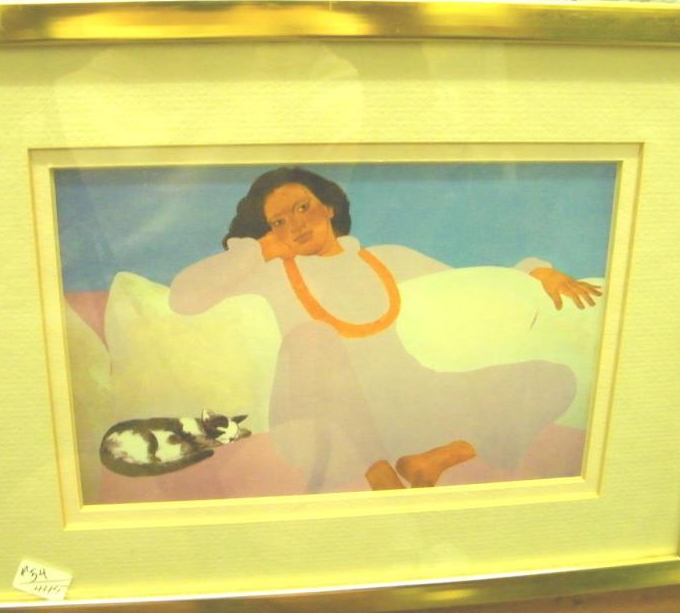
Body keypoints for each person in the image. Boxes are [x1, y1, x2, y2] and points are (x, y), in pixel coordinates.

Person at [170, 167, 601, 492]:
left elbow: (470, 284)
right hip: (324, 422)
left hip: (408, 403)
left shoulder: (387, 259)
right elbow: (184, 298)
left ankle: (435, 460)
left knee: (552, 378)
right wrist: (261, 250)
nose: (296, 224)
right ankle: (378, 474)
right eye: (279, 221)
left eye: (302, 207)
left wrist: (536, 272)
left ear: (329, 207)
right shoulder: (272, 274)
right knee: (313, 337)